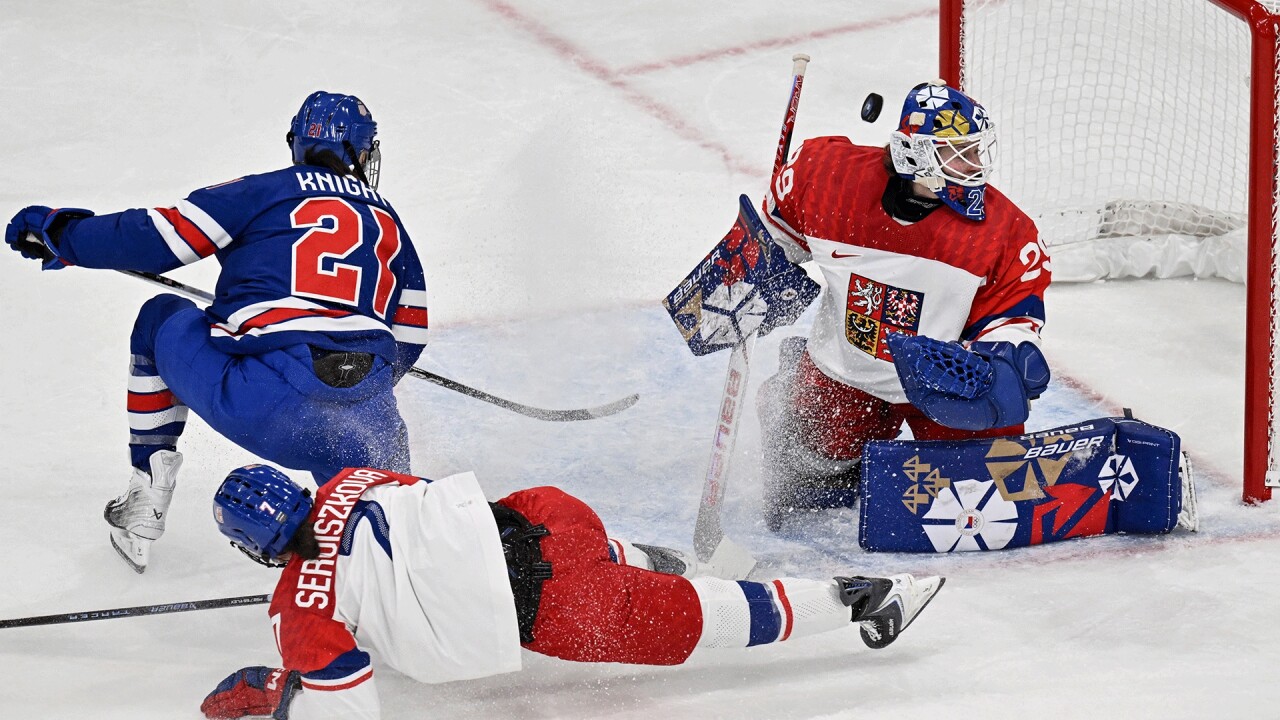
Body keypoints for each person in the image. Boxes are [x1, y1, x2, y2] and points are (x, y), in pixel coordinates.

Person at [3, 91, 430, 573]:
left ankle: (147, 495)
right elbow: (409, 337)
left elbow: (158, 239)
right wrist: (344, 374)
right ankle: (359, 554)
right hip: (371, 426)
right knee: (388, 550)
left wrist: (63, 234)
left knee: (160, 316)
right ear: (361, 151)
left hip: (269, 405)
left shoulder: (265, 190)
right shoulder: (388, 219)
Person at [200, 464, 944, 720]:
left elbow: (349, 705)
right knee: (562, 546)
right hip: (548, 513)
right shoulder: (350, 482)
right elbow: (432, 519)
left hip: (561, 606)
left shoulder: (297, 608)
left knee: (705, 624)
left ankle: (860, 598)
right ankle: (645, 558)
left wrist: (283, 692)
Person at [756, 80, 1051, 530]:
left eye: (975, 150)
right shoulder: (829, 179)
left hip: (944, 381)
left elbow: (1012, 312)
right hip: (845, 372)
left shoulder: (1005, 231)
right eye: (959, 153)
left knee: (978, 493)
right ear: (917, 157)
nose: (975, 165)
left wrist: (1007, 354)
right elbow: (780, 232)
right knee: (810, 482)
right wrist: (755, 263)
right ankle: (793, 386)